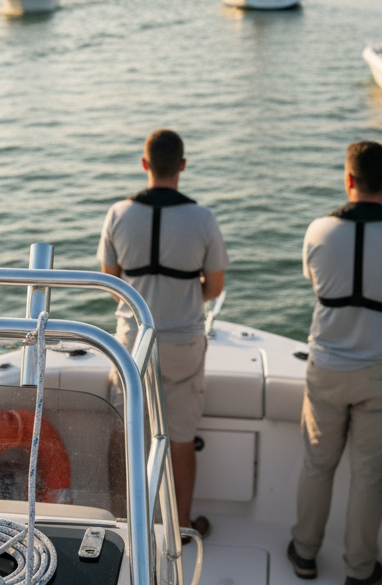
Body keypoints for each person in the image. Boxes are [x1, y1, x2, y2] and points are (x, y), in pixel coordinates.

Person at [287, 141, 382, 585]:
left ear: (348, 179)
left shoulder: (318, 231)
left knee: (317, 466)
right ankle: (359, 570)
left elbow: (313, 278)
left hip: (328, 370)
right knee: (368, 478)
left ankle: (304, 554)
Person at [98, 129, 228, 538]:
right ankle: (181, 526)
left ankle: (124, 525)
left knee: (126, 433)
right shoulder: (203, 218)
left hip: (133, 341)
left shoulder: (118, 214)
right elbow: (215, 286)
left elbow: (109, 278)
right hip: (183, 342)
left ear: (144, 164)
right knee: (181, 438)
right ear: (183, 166)